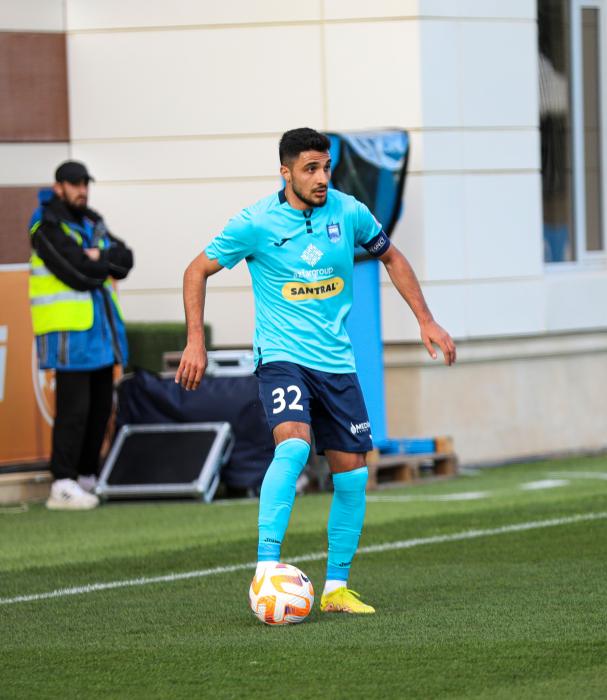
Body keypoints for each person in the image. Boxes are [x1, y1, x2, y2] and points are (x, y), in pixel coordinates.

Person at [176, 128, 456, 614]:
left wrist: (426, 319)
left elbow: (391, 257)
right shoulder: (256, 222)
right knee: (294, 445)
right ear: (285, 173)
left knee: (353, 476)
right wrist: (195, 341)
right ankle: (266, 569)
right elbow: (195, 270)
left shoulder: (349, 212)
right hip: (281, 357)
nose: (322, 177)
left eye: (326, 167)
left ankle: (335, 590)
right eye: (310, 169)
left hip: (337, 363)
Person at [28, 160, 134, 510]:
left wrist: (97, 256)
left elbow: (126, 260)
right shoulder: (45, 225)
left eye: (85, 184)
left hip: (100, 332)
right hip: (68, 334)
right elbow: (78, 273)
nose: (82, 190)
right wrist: (102, 261)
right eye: (75, 184)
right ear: (58, 187)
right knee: (73, 411)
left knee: (100, 409)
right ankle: (62, 482)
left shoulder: (91, 220)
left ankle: (86, 476)